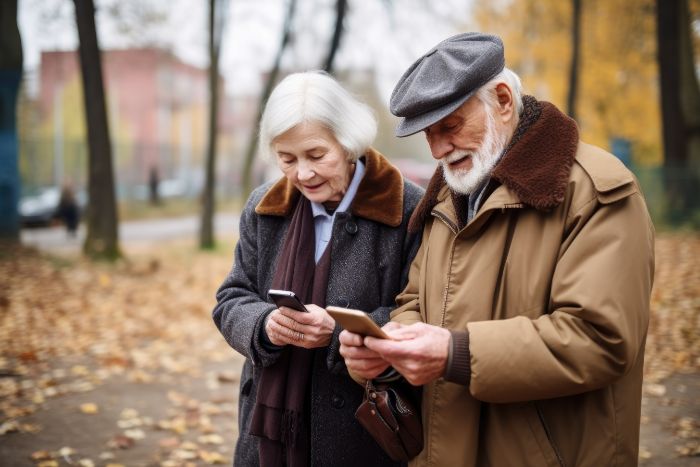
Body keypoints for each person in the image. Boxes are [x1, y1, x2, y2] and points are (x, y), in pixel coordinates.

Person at [340, 32, 655, 466]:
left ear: (503, 100)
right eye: (428, 134)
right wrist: (390, 351)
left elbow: (600, 338)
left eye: (449, 126)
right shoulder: (449, 196)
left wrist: (455, 354)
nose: (438, 150)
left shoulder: (595, 190)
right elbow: (415, 301)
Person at [212, 71, 424, 467]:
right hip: (267, 429)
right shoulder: (263, 206)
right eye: (286, 159)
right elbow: (231, 297)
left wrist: (338, 333)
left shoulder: (408, 209)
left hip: (363, 433)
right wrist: (263, 325)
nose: (302, 174)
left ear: (347, 143)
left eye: (316, 155)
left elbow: (422, 313)